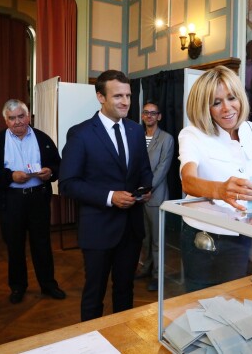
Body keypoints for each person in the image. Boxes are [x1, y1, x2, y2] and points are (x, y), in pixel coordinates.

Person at [59, 70, 153, 321]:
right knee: (94, 293)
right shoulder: (81, 134)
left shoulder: (135, 131)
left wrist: (146, 189)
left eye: (128, 96)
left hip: (131, 229)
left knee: (125, 290)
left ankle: (122, 338)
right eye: (118, 96)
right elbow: (67, 183)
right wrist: (111, 196)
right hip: (98, 229)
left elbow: (144, 170)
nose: (125, 102)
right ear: (100, 97)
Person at [178, 66, 252, 292]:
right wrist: (220, 190)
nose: (227, 108)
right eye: (216, 102)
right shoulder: (192, 134)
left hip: (242, 234)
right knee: (200, 304)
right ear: (204, 107)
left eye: (231, 98)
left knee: (233, 298)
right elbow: (188, 181)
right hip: (204, 237)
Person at [0, 99, 65, 304]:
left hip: (38, 199)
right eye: (12, 118)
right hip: (11, 201)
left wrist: (50, 172)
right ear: (5, 121)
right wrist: (10, 177)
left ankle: (48, 285)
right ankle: (18, 287)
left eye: (21, 116)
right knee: (14, 246)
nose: (17, 122)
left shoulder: (42, 138)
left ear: (28, 117)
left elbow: (57, 164)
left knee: (42, 244)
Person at [137, 102, 174, 292]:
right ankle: (146, 267)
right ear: (142, 116)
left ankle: (158, 275)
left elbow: (162, 168)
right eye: (146, 113)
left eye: (153, 113)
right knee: (144, 237)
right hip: (137, 196)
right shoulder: (136, 136)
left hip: (155, 195)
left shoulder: (166, 139)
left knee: (157, 240)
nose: (149, 116)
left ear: (159, 116)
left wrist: (148, 188)